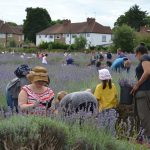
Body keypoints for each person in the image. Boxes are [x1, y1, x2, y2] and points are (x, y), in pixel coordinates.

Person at [131, 43, 150, 139]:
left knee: (144, 115)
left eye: (135, 54)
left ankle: (147, 139)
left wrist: (137, 85)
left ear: (139, 53)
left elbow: (147, 72)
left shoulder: (145, 57)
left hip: (144, 91)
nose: (135, 56)